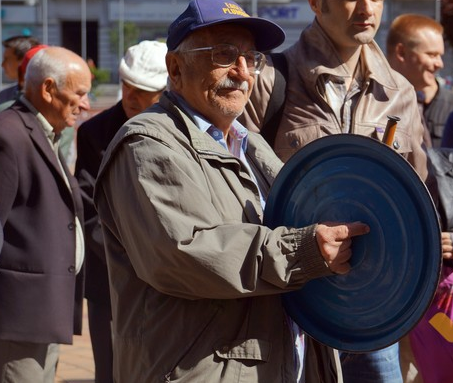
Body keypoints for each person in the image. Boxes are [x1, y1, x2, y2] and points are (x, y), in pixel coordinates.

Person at [93, 0, 370, 382]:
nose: (242, 72)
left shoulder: (251, 144)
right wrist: (304, 251)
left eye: (251, 58)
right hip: (198, 369)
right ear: (176, 69)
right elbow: (185, 252)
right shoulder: (147, 145)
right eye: (224, 54)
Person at [240, 0, 431, 382]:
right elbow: (237, 186)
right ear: (315, 3)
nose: (366, 7)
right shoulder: (272, 79)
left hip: (374, 310)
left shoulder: (400, 93)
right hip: (291, 305)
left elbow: (415, 195)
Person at [74, 39, 168, 383]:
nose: (131, 95)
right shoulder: (93, 133)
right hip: (110, 281)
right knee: (112, 371)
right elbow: (88, 210)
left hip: (171, 282)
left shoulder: (184, 129)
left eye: (143, 89)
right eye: (127, 84)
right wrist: (134, 259)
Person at [0, 46, 91, 383]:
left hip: (39, 315)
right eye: (79, 93)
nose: (84, 105)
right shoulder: (8, 135)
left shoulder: (42, 132)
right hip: (17, 317)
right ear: (48, 89)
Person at [386, 13, 453, 148]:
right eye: (431, 55)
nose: (439, 64)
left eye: (440, 56)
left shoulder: (450, 106)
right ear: (401, 52)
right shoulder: (375, 105)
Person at [0, 35, 40, 105]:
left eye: (7, 59)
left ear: (23, 60)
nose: (2, 64)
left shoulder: (47, 97)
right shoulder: (3, 96)